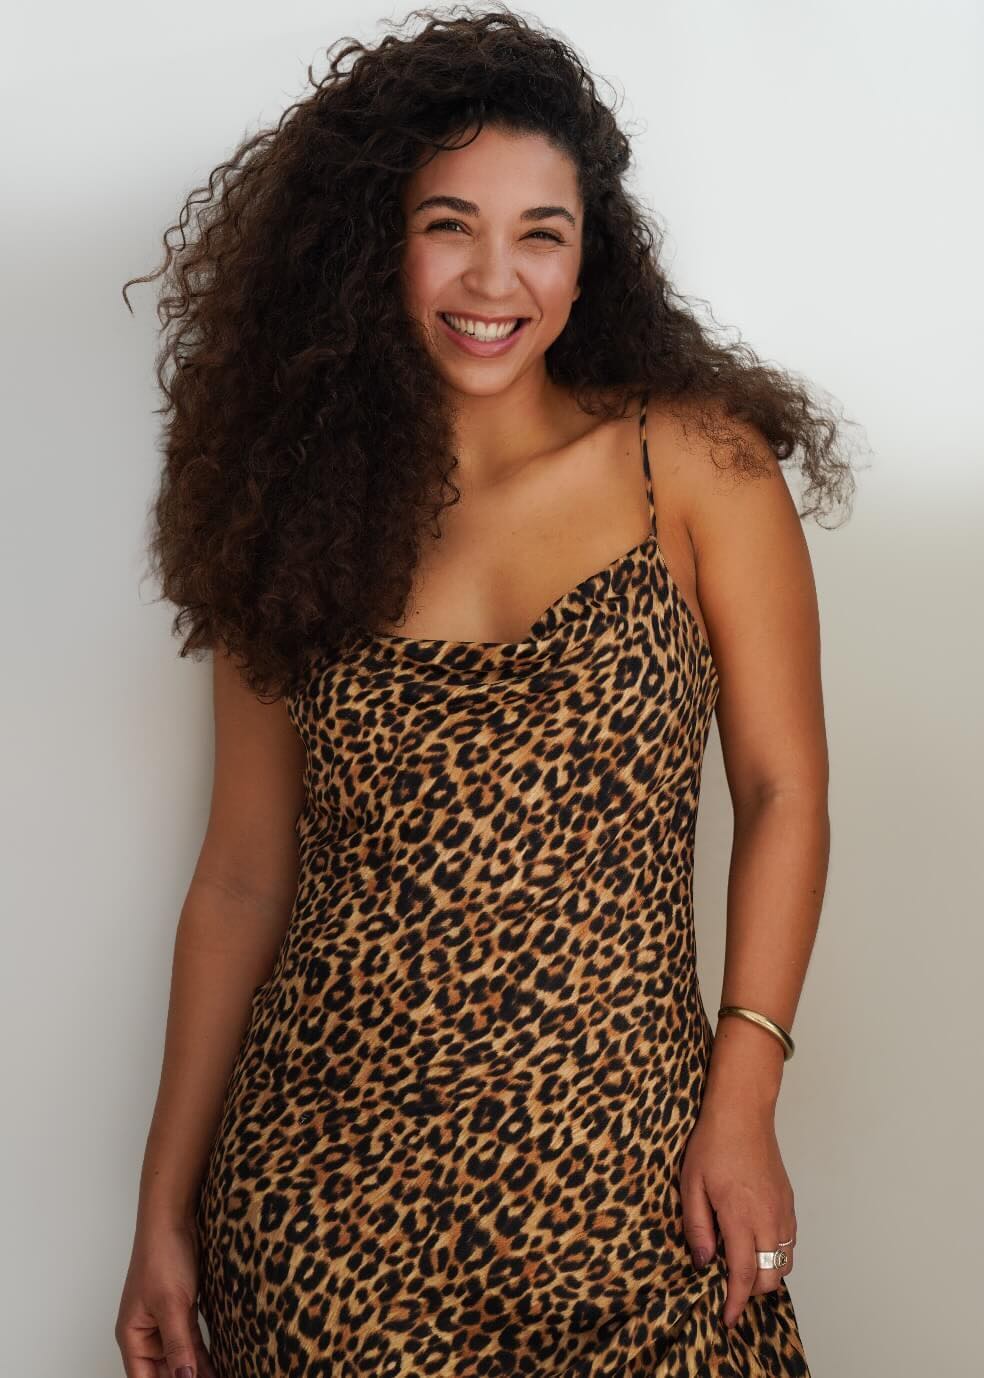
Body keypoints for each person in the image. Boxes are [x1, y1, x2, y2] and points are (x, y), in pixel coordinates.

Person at [116, 8, 856, 1376]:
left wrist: (745, 1096)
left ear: (590, 257)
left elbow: (783, 790)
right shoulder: (294, 518)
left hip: (636, 1186)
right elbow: (241, 879)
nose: (494, 277)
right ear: (373, 244)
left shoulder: (695, 467)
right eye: (448, 224)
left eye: (542, 234)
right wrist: (162, 1211)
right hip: (322, 1212)